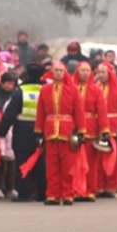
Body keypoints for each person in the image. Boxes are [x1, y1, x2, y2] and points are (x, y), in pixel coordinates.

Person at [35, 61, 85, 205]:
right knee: (51, 166)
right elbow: (40, 113)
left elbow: (79, 112)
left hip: (67, 132)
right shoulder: (44, 90)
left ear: (65, 72)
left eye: (61, 70)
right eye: (56, 70)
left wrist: (81, 131)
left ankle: (68, 194)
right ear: (51, 72)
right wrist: (38, 132)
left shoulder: (73, 90)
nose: (58, 73)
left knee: (68, 166)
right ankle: (52, 194)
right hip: (50, 131)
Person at [0, 64, 45, 202]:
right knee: (41, 162)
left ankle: (24, 192)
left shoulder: (20, 91)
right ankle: (42, 192)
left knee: (22, 162)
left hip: (23, 131)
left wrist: (2, 131)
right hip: (42, 131)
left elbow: (10, 114)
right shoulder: (46, 89)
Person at [72, 62, 109, 202]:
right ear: (77, 72)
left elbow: (102, 112)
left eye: (88, 70)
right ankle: (75, 189)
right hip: (74, 130)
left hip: (91, 130)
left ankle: (90, 190)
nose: (85, 73)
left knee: (91, 163)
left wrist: (104, 130)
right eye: (82, 70)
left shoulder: (96, 90)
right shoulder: (71, 88)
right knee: (74, 162)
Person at [96, 62, 117, 198]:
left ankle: (111, 186)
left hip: (114, 127)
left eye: (103, 72)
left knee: (112, 159)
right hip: (98, 127)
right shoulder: (95, 88)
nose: (101, 75)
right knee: (98, 159)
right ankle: (99, 185)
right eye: (99, 72)